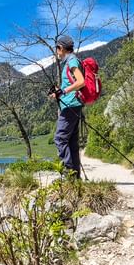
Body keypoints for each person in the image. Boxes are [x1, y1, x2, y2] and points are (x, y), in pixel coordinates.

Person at [49, 35, 85, 179]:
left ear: (61, 48)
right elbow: (72, 83)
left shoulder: (72, 61)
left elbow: (81, 81)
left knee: (59, 138)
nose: (57, 52)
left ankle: (68, 173)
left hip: (71, 105)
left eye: (57, 49)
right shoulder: (70, 62)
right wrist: (59, 92)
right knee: (71, 142)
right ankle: (75, 177)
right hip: (72, 104)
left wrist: (63, 91)